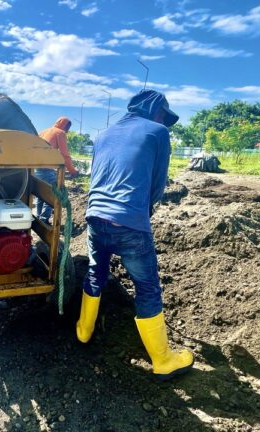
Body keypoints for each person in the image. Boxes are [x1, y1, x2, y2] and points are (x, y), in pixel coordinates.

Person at [76, 89, 193, 381]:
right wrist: (145, 210)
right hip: (129, 222)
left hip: (95, 215)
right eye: (163, 115)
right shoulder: (157, 132)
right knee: (147, 287)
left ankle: (83, 331)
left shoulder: (103, 134)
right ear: (154, 109)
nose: (163, 121)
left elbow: (97, 175)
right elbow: (157, 183)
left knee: (95, 273)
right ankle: (164, 360)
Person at [35, 117, 79, 224]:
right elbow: (65, 155)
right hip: (47, 168)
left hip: (36, 169)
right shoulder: (60, 133)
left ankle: (39, 218)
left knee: (41, 194)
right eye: (67, 129)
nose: (67, 131)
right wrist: (73, 171)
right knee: (53, 194)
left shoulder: (43, 132)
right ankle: (44, 220)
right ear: (65, 126)